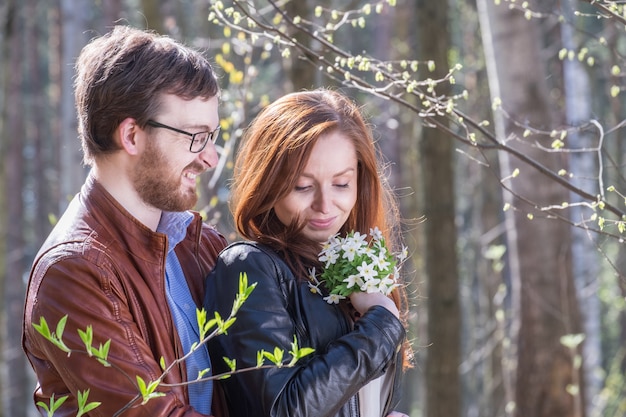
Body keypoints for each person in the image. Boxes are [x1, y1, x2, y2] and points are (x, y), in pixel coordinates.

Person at [22, 25, 227, 417]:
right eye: (196, 137)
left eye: (212, 137)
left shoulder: (198, 243)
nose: (210, 158)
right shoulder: (74, 272)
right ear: (132, 135)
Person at [204, 89, 412, 417]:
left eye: (341, 184)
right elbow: (283, 410)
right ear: (268, 184)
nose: (325, 205)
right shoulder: (249, 268)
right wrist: (382, 324)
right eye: (303, 187)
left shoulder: (353, 269)